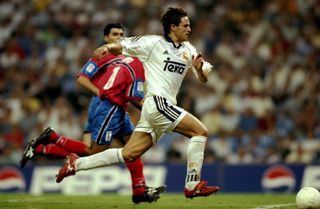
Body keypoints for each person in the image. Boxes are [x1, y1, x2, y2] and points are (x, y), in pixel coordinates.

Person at [56, 7, 220, 198]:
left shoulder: (189, 49)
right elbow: (122, 44)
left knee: (128, 154)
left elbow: (204, 77)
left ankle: (75, 164)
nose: (189, 29)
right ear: (173, 27)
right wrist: (107, 47)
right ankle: (192, 184)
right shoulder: (152, 43)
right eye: (186, 25)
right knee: (200, 132)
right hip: (157, 103)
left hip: (159, 109)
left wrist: (199, 70)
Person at [19, 23, 165, 204]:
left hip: (117, 106)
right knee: (91, 152)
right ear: (106, 38)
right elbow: (81, 78)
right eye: (114, 34)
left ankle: (139, 190)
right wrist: (101, 92)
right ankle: (51, 140)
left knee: (132, 148)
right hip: (103, 104)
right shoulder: (103, 55)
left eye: (121, 34)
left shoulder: (126, 57)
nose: (119, 37)